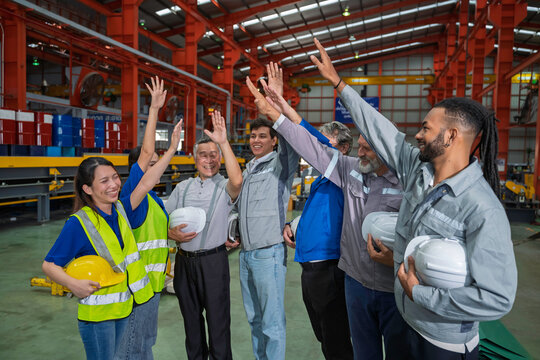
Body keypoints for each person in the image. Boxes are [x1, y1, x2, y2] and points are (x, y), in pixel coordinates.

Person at [310, 38, 517, 359]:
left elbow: (497, 298)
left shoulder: (481, 208)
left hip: (444, 344)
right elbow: (382, 132)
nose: (417, 135)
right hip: (410, 325)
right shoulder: (419, 173)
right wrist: (338, 83)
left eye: (426, 128)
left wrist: (422, 294)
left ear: (450, 136)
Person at [247, 70, 406, 360]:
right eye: (359, 147)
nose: (361, 153)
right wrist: (294, 224)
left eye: (366, 148)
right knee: (341, 341)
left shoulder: (381, 178)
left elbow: (313, 142)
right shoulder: (339, 175)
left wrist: (279, 111)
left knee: (346, 341)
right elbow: (314, 148)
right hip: (336, 274)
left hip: (356, 275)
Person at [41, 120, 182, 360]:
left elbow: (147, 181)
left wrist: (171, 149)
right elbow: (49, 265)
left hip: (124, 309)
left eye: (115, 177)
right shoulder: (80, 223)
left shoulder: (122, 210)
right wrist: (72, 284)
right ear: (87, 188)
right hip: (98, 317)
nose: (114, 185)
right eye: (104, 181)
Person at [262, 62, 354, 360]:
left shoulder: (343, 173)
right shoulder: (322, 180)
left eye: (323, 144)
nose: (314, 149)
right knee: (324, 335)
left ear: (341, 148)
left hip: (328, 266)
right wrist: (295, 225)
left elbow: (307, 136)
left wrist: (280, 106)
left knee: (336, 337)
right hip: (310, 264)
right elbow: (320, 214)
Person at [165, 110, 242, 360]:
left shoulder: (225, 186)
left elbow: (238, 182)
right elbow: (163, 218)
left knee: (219, 323)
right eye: (203, 155)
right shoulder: (182, 187)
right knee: (191, 323)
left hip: (213, 262)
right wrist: (169, 232)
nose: (208, 160)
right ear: (194, 158)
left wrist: (223, 142)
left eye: (214, 155)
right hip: (184, 263)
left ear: (220, 157)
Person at [236, 72, 300, 359]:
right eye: (253, 135)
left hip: (268, 255)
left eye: (263, 136)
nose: (256, 140)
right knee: (255, 321)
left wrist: (275, 102)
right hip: (245, 256)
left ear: (274, 140)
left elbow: (292, 139)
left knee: (272, 324)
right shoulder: (248, 169)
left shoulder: (281, 163)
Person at [116, 76, 170, 359]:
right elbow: (147, 150)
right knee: (132, 349)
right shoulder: (132, 193)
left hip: (153, 286)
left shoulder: (154, 199)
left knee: (145, 346)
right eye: (151, 165)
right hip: (137, 289)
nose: (157, 168)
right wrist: (153, 110)